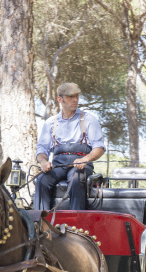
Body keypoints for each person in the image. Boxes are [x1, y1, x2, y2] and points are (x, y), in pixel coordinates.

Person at [34, 82, 105, 211]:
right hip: (59, 164)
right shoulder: (51, 122)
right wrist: (44, 162)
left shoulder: (89, 119)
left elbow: (99, 148)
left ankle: (76, 224)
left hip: (82, 163)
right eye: (71, 96)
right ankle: (41, 225)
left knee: (76, 179)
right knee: (41, 180)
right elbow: (41, 150)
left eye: (77, 96)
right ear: (60, 99)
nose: (75, 100)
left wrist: (86, 159)